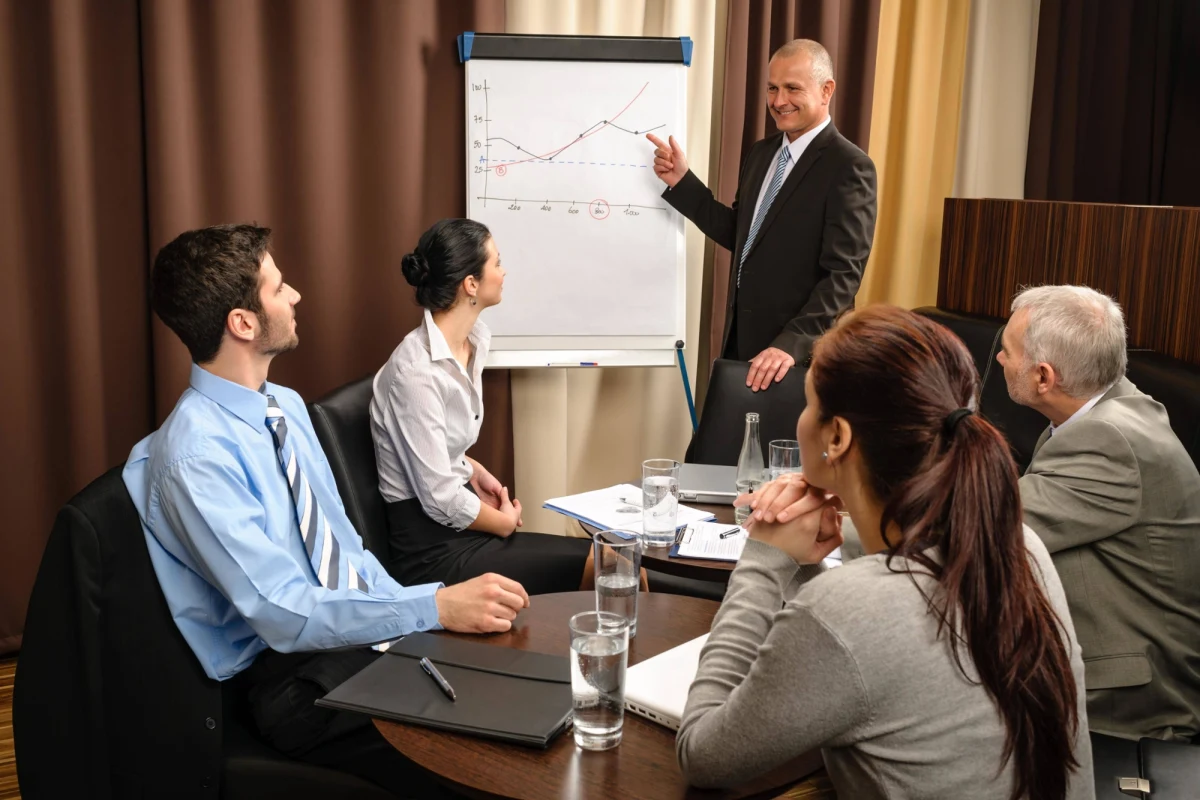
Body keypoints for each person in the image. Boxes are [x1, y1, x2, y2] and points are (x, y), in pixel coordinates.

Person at [124, 223, 530, 798]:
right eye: (278, 287)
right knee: (482, 758)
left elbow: (343, 549)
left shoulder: (282, 406)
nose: (294, 296)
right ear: (242, 324)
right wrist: (432, 606)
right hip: (287, 681)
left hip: (347, 634)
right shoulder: (195, 458)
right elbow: (283, 613)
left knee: (505, 692)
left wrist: (416, 617)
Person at [676, 305, 1093, 799]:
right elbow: (860, 657)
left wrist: (765, 557)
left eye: (808, 404)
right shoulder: (1019, 546)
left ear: (837, 437)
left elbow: (703, 756)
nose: (801, 417)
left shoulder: (848, 609)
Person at [998, 284, 1200, 742]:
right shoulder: (1111, 409)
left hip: (1129, 701)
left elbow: (982, 525)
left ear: (1044, 376)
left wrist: (833, 527)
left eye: (1008, 351)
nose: (1000, 360)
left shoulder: (1107, 439)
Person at [371, 218, 596, 594]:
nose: (504, 272)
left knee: (615, 563)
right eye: (497, 263)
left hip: (459, 525)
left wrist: (472, 469)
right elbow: (440, 498)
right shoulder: (416, 373)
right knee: (608, 565)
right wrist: (503, 523)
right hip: (431, 551)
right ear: (471, 284)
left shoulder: (474, 341)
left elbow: (435, 452)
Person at [647, 38, 877, 392]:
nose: (778, 101)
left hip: (795, 360)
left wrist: (790, 344)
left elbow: (843, 277)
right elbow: (742, 234)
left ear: (826, 90)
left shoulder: (850, 166)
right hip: (740, 345)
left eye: (792, 88)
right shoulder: (760, 153)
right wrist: (683, 182)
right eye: (772, 88)